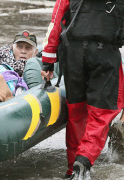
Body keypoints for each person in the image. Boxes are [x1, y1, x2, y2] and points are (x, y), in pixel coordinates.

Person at [41, 0, 124, 179]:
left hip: (73, 53)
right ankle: (84, 159)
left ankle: (72, 169)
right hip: (105, 53)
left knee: (76, 112)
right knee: (102, 112)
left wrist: (48, 60)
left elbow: (56, 21)